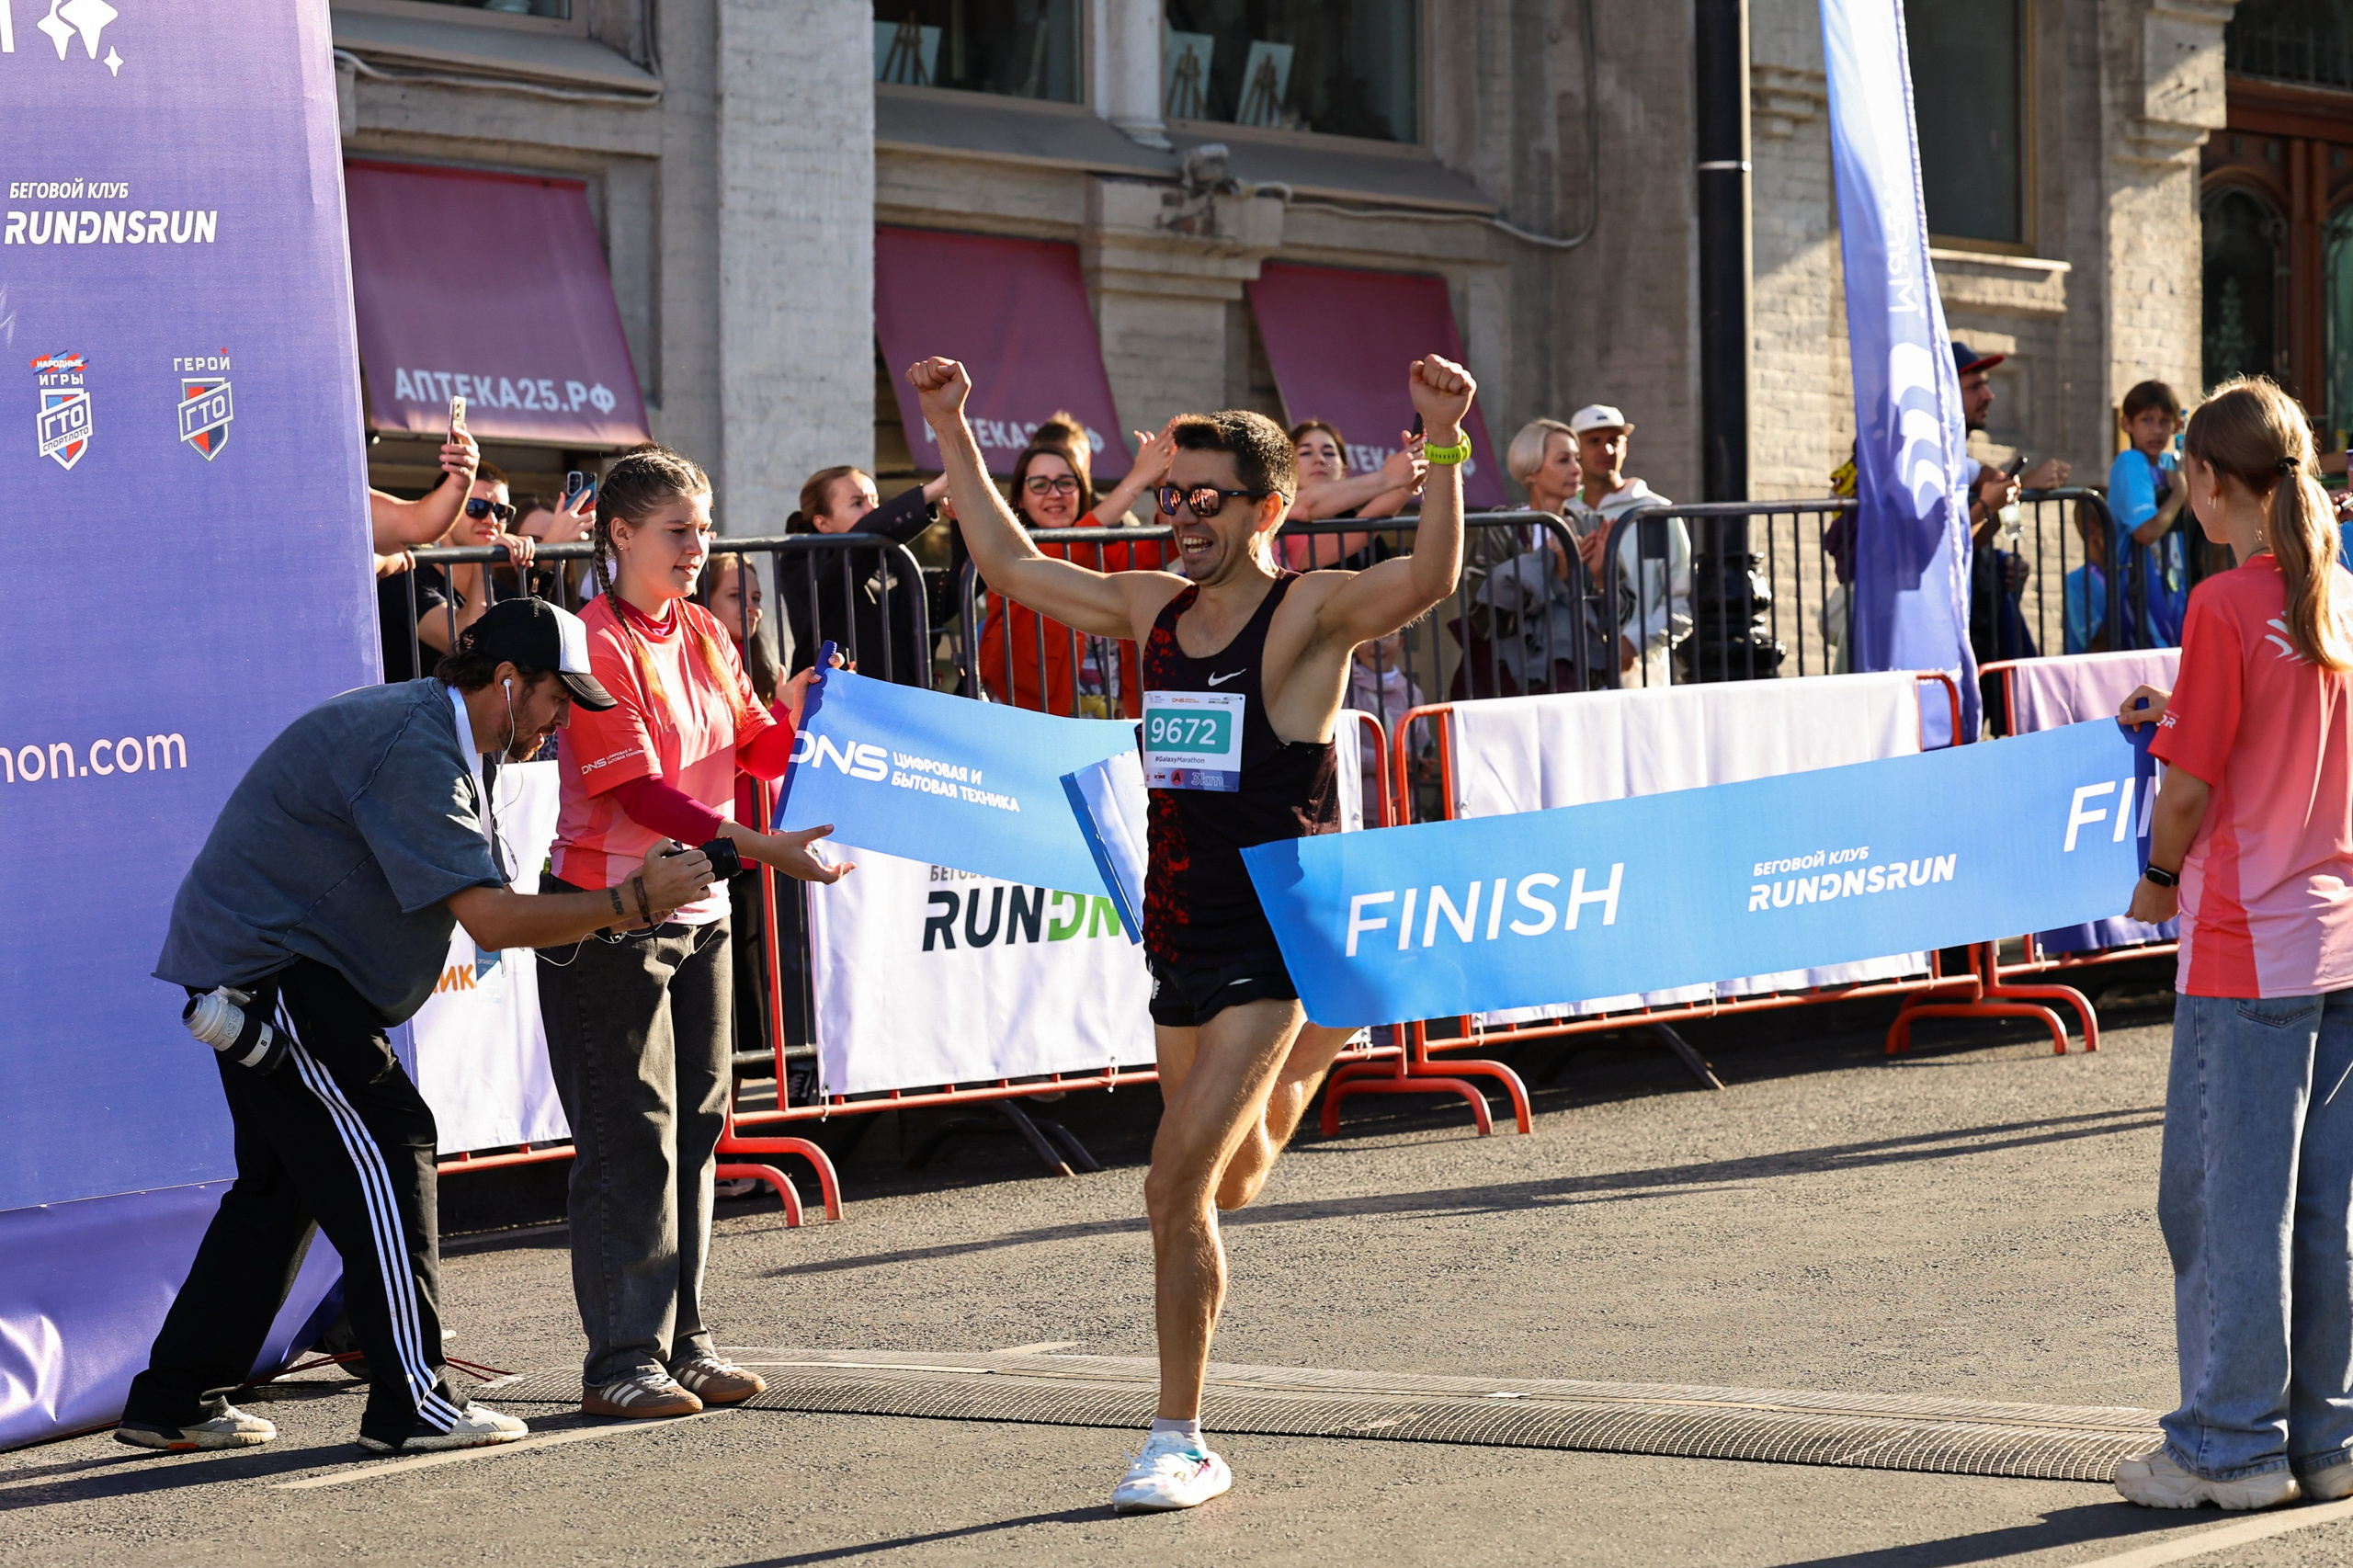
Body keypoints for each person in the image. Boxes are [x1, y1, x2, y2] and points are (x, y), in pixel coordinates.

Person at [910, 347, 1478, 1513]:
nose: (1180, 518)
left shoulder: (1310, 610)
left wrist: (1446, 444)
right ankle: (1318, 1054)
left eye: (1204, 500)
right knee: (1232, 1182)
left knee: (1171, 1187)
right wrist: (950, 424)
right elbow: (1012, 569)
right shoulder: (1148, 607)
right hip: (1178, 930)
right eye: (1171, 498)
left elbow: (1426, 577)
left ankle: (1179, 1437)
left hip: (1276, 935)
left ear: (1266, 509)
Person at [120, 598, 712, 1455]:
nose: (561, 724)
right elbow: (495, 923)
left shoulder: (434, 733)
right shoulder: (417, 746)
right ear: (509, 683)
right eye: (556, 700)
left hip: (267, 970)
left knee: (281, 1191)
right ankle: (414, 1402)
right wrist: (631, 902)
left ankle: (172, 1399)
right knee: (396, 1141)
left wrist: (619, 910)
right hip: (278, 973)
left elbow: (497, 912)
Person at [536, 446, 850, 1423]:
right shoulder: (590, 641)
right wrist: (761, 842)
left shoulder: (708, 629)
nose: (697, 546)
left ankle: (683, 1339)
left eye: (703, 528)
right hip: (608, 918)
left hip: (700, 909)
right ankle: (619, 1356)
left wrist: (805, 709)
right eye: (678, 529)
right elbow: (637, 789)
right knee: (628, 1138)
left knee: (700, 1128)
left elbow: (753, 744)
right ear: (619, 533)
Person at [2110, 376, 2353, 1511]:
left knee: (2219, 1203)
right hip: (2338, 931)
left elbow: (2189, 791)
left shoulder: (2220, 603)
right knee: (2321, 1206)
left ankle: (2225, 1441)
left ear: (2207, 479)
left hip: (2245, 939)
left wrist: (2155, 881)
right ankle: (2324, 1436)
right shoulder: (2335, 594)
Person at [974, 415, 1174, 717]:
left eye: (1066, 483)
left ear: (1082, 490)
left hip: (1109, 718)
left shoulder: (1101, 547)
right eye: (1040, 484)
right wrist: (1138, 478)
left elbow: (1158, 550)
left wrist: (1163, 487)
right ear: (1020, 497)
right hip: (1034, 719)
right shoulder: (1008, 547)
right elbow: (1064, 553)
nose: (1054, 494)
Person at [1469, 416, 1611, 694]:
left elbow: (1618, 616)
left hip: (1582, 679)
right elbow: (1484, 616)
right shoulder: (1501, 529)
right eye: (1563, 460)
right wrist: (1550, 572)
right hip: (1510, 681)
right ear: (1531, 470)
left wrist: (1600, 578)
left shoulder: (1592, 526)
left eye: (1577, 459)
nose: (1576, 470)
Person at [779, 464, 946, 684]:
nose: (872, 510)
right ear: (823, 523)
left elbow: (950, 591)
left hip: (894, 704)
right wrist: (934, 490)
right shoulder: (800, 560)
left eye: (875, 501)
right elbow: (849, 560)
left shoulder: (892, 564)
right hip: (830, 704)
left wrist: (962, 522)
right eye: (857, 503)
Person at [1562, 404, 1690, 685]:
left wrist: (1632, 643)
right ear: (1577, 449)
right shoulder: (1561, 514)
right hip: (1572, 671)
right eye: (1594, 441)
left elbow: (1681, 599)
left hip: (1641, 674)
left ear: (1625, 447)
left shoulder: (1654, 512)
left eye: (1614, 441)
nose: (1606, 450)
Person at [377, 463, 540, 683]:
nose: (491, 520)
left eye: (501, 512)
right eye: (477, 507)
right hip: (413, 715)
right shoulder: (406, 575)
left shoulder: (503, 593)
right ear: (448, 510)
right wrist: (484, 558)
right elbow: (465, 643)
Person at [2107, 380, 2192, 648]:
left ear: (2176, 425)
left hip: (2170, 588)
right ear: (2127, 424)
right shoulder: (2130, 462)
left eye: (2164, 421)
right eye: (2146, 420)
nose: (2156, 430)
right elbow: (2145, 532)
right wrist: (2179, 493)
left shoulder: (2169, 464)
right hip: (2136, 593)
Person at [1279, 420, 1423, 570]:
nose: (1320, 460)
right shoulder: (1276, 514)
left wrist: (1410, 480)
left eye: (1328, 453)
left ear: (1344, 470)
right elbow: (1307, 504)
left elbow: (1364, 528)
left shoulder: (1359, 524)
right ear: (1286, 470)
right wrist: (1388, 477)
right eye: (1305, 453)